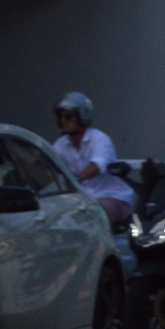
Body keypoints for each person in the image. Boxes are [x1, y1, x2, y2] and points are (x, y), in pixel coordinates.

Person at [50, 93, 135, 228]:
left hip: (111, 197)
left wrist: (74, 180)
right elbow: (49, 164)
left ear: (83, 116)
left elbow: (96, 165)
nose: (63, 121)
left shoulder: (100, 139)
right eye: (60, 117)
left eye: (68, 116)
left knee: (92, 216)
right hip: (82, 202)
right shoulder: (60, 144)